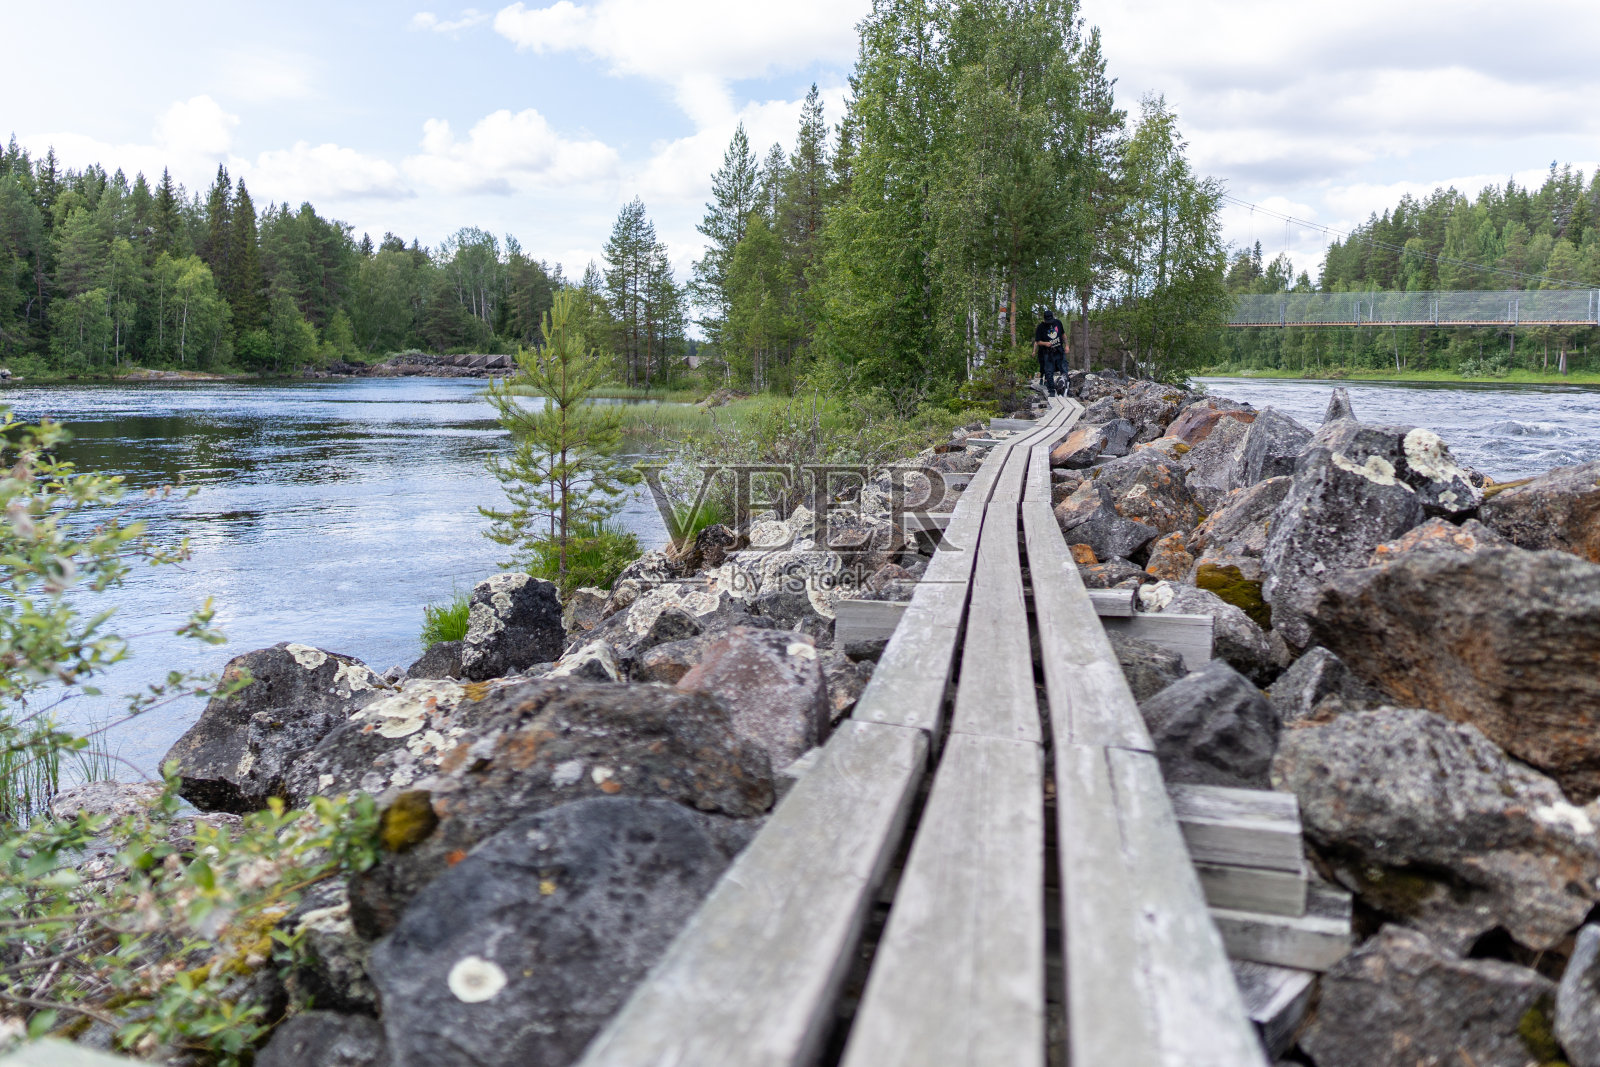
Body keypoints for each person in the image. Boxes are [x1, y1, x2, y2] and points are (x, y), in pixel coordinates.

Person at [1033, 309, 1067, 396]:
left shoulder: (1058, 323)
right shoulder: (1040, 327)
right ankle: (1051, 390)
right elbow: (1037, 341)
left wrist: (1067, 345)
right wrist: (1045, 343)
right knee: (1049, 371)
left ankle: (1066, 389)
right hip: (1048, 353)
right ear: (1044, 319)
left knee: (1064, 370)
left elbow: (1063, 334)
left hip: (1059, 350)